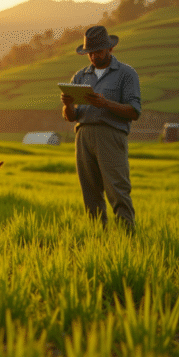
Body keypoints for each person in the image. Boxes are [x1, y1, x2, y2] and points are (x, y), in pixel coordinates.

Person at [60, 25, 141, 231]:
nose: (94, 56)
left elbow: (134, 111)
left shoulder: (126, 74)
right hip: (83, 135)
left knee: (117, 190)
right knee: (90, 191)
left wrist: (107, 104)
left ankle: (127, 237)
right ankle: (98, 237)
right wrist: (67, 104)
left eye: (98, 51)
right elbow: (71, 117)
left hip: (111, 135)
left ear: (110, 49)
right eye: (90, 53)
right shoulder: (80, 76)